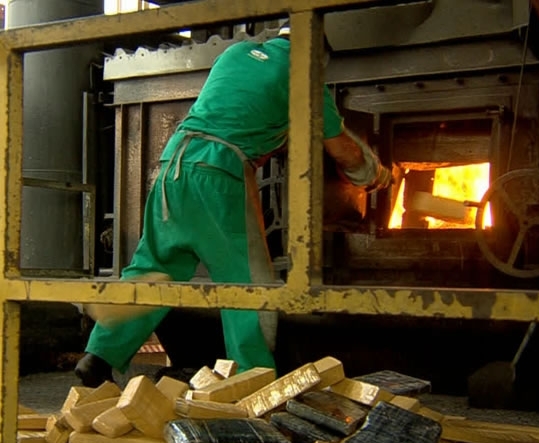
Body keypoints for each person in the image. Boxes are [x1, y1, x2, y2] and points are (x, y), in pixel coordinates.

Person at [75, 21, 393, 387]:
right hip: (220, 173)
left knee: (155, 267)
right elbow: (344, 153)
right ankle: (253, 380)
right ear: (319, 57)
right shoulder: (304, 74)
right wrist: (376, 175)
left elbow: (243, 106)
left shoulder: (235, 52)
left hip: (171, 165)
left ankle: (98, 358)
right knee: (247, 283)